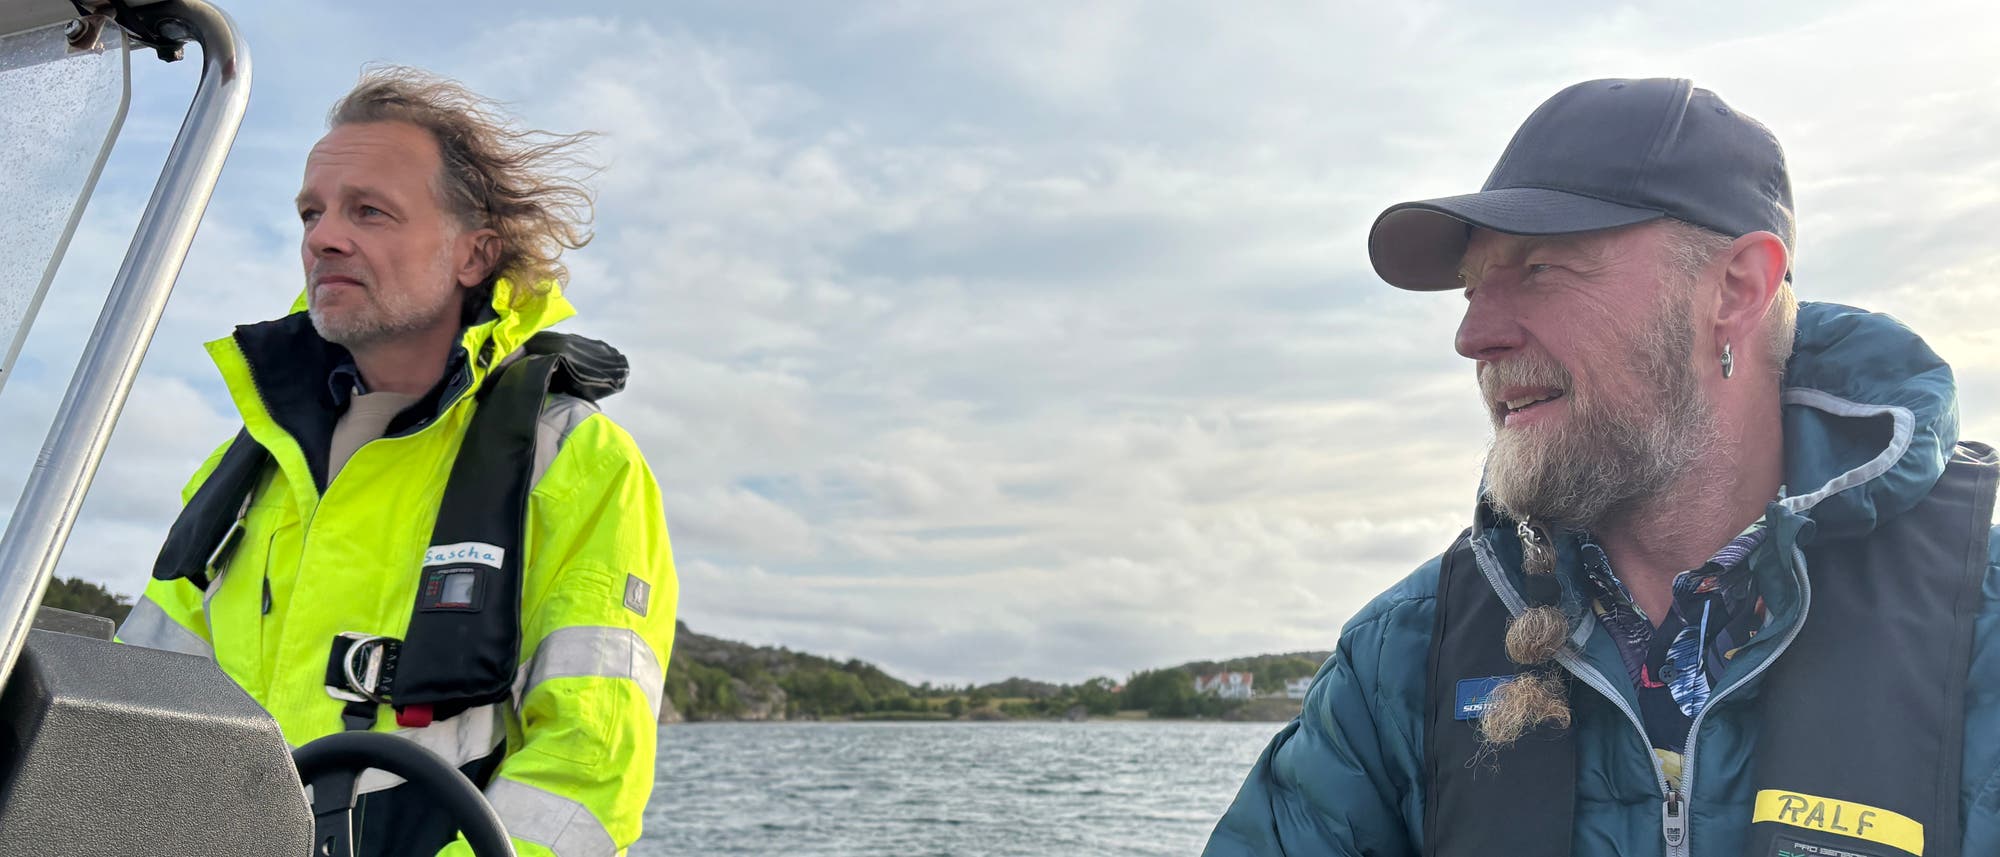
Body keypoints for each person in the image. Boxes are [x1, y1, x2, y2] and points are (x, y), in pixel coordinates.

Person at [1204, 78, 2000, 857]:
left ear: (1736, 288)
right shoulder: (1401, 662)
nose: (1474, 335)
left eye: (1541, 269)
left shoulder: (1980, 632)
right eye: (1472, 291)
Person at [115, 66, 677, 857]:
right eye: (312, 212)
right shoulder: (249, 465)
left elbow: (589, 764)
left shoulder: (572, 459)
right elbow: (135, 708)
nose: (322, 236)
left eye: (368, 211)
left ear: (473, 254)